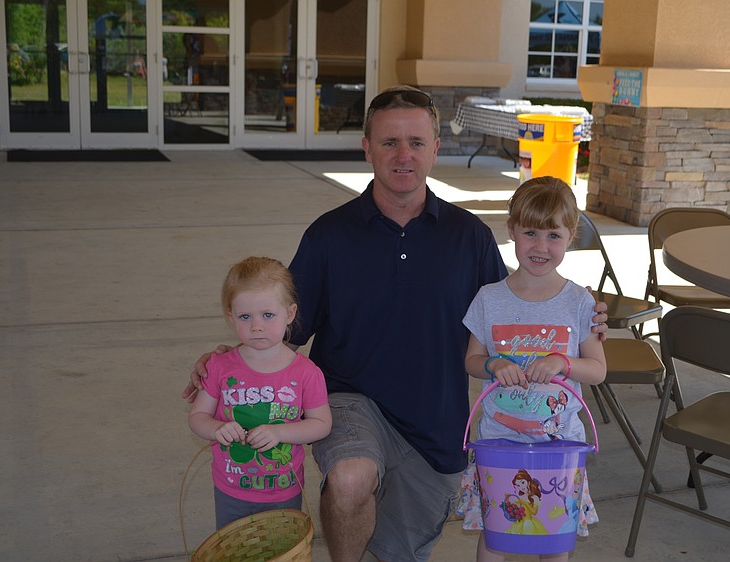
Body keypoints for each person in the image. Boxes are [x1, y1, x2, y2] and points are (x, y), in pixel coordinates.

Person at [183, 86, 608, 562]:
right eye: (389, 143)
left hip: (434, 427)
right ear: (367, 148)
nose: (403, 155)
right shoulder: (329, 234)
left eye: (416, 143)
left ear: (435, 149)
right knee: (350, 477)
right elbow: (281, 324)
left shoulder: (467, 237)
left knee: (393, 554)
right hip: (349, 401)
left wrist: (582, 316)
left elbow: (516, 310)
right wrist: (226, 359)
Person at [457, 176, 607, 562]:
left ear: (571, 236)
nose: (541, 247)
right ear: (512, 231)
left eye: (553, 235)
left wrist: (564, 362)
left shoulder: (579, 302)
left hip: (559, 448)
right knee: (496, 536)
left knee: (554, 538)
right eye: (530, 233)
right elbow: (471, 361)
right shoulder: (489, 298)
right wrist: (494, 362)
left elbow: (597, 370)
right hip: (498, 443)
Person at [188, 256, 331, 529]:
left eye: (268, 315)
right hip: (231, 490)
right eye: (245, 316)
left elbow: (321, 424)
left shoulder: (306, 372)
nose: (256, 326)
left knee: (281, 552)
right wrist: (217, 428)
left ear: (289, 313)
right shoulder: (219, 366)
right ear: (230, 317)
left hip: (284, 491)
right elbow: (197, 416)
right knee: (235, 551)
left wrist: (280, 432)